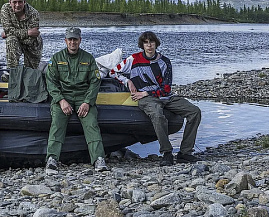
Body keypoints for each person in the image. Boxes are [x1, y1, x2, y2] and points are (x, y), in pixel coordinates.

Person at [109, 31, 202, 166]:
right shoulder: (133, 59)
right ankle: (167, 153)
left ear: (156, 44)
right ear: (142, 45)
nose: (149, 45)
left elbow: (166, 89)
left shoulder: (164, 62)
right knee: (157, 116)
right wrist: (127, 81)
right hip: (147, 99)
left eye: (151, 42)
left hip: (163, 96)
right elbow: (113, 72)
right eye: (146, 43)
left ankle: (185, 152)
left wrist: (146, 93)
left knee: (194, 112)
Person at [44, 27, 108, 174]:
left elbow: (95, 82)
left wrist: (87, 102)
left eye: (75, 39)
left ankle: (98, 159)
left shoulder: (88, 58)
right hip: (63, 97)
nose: (72, 42)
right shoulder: (56, 58)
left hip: (83, 97)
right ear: (65, 41)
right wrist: (60, 100)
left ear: (80, 40)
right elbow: (51, 82)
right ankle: (52, 159)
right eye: (70, 39)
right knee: (57, 123)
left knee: (91, 123)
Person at [0, 0, 43, 72]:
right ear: (10, 2)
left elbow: (31, 38)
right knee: (11, 40)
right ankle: (12, 73)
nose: (17, 5)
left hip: (33, 45)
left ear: (24, 2)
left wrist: (10, 33)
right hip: (15, 43)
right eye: (14, 2)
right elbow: (8, 30)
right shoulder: (5, 9)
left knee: (31, 73)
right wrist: (28, 32)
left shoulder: (34, 13)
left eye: (20, 2)